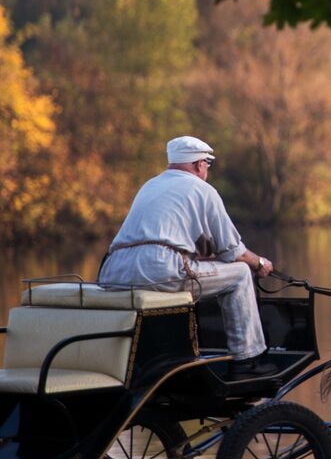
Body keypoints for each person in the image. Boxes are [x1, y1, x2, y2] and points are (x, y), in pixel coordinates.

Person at [99, 136, 277, 377]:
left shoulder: (150, 185)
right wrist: (260, 263)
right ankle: (246, 361)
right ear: (198, 165)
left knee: (207, 269)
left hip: (114, 272)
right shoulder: (202, 190)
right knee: (240, 273)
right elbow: (232, 251)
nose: (207, 170)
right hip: (159, 271)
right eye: (207, 164)